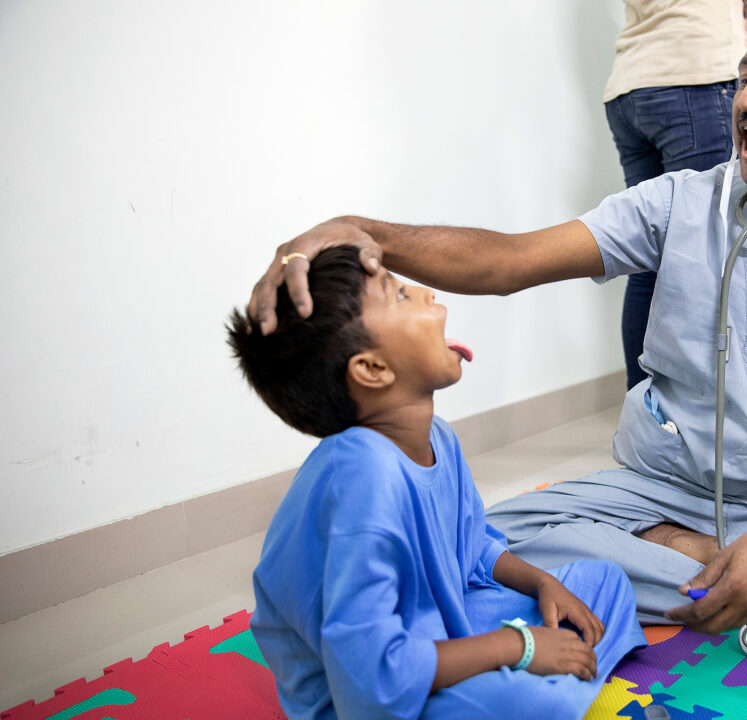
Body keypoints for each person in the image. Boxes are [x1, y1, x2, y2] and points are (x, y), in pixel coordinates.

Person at [247, 0, 747, 678]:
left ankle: (719, 567)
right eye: (745, 74)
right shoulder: (679, 204)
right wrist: (363, 229)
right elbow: (509, 260)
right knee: (489, 540)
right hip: (661, 487)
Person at [227, 246, 645, 720]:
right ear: (372, 369)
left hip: (447, 627)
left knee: (602, 582)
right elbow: (371, 680)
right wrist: (520, 645)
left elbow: (474, 551)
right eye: (401, 295)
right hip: (363, 693)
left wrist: (545, 583)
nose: (429, 293)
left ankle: (557, 686)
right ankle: (561, 692)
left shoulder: (436, 436)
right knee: (524, 700)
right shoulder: (364, 479)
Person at [602, 0, 747, 389]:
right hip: (694, 76)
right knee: (707, 253)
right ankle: (700, 416)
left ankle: (645, 413)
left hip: (631, 83)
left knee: (650, 259)